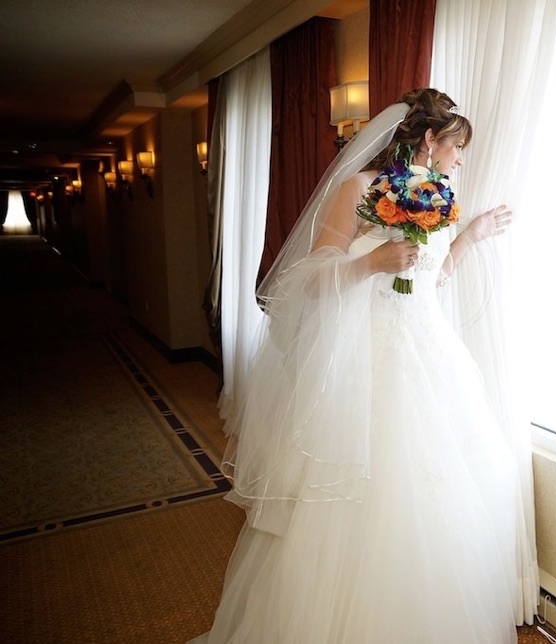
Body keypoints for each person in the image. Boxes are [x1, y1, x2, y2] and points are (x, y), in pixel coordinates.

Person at [191, 89, 529, 643]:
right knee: (357, 503)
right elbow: (310, 281)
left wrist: (469, 235)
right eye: (457, 147)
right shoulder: (358, 188)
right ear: (428, 141)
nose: (461, 160)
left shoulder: (439, 194)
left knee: (439, 502)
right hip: (368, 366)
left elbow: (429, 278)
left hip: (428, 356)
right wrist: (370, 263)